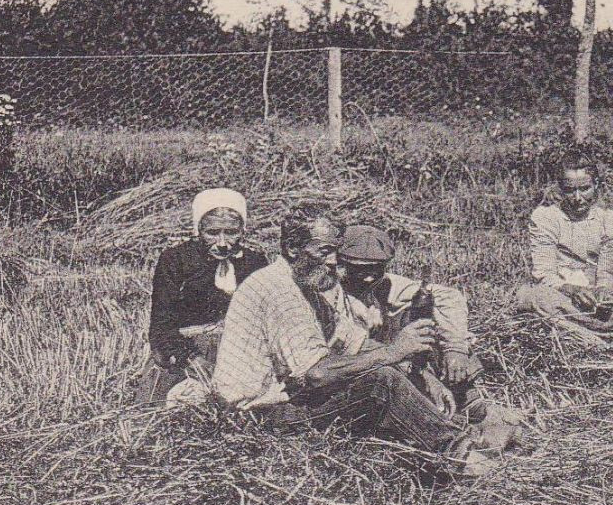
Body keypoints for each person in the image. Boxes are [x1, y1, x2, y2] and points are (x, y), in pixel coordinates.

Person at [211, 209, 495, 464]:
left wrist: (421, 375)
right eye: (324, 251)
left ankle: (457, 430)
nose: (334, 261)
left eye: (335, 251)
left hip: (286, 400)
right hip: (259, 415)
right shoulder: (278, 291)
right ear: (293, 248)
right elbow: (316, 374)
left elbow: (355, 341)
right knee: (380, 380)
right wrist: (393, 353)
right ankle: (461, 455)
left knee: (382, 372)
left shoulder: (306, 286)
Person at [332, 222, 483, 413]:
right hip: (359, 368)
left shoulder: (384, 284)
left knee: (429, 316)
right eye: (360, 270)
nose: (369, 278)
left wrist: (455, 349)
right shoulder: (329, 291)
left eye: (375, 269)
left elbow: (446, 296)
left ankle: (465, 395)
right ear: (341, 264)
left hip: (391, 355)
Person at [141, 188, 268, 406]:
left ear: (243, 230)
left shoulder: (254, 262)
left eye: (231, 232)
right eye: (212, 232)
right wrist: (192, 359)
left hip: (239, 350)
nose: (222, 242)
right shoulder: (176, 260)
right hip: (187, 350)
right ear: (198, 229)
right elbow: (161, 326)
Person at [513, 150, 613, 349]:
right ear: (560, 188)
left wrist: (602, 294)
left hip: (591, 299)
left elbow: (608, 274)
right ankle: (607, 339)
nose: (577, 198)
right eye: (569, 190)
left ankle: (585, 334)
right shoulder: (545, 218)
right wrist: (571, 290)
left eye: (584, 189)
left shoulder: (609, 220)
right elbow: (544, 274)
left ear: (596, 185)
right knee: (535, 298)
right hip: (559, 295)